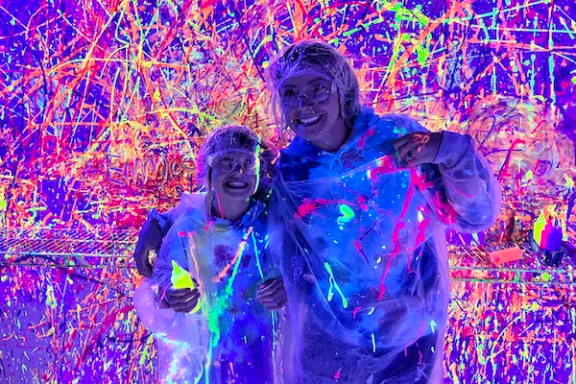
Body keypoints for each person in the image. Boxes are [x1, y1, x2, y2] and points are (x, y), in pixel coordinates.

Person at [265, 40, 502, 384]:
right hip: (326, 352)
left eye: (318, 89)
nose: (305, 104)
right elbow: (272, 248)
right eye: (290, 94)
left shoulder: (394, 140)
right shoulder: (289, 173)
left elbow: (476, 214)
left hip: (406, 344)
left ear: (341, 89)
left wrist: (449, 151)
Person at [132, 125, 287, 384]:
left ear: (260, 169)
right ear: (208, 171)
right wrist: (171, 294)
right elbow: (162, 274)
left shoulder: (271, 223)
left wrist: (285, 289)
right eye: (227, 162)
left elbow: (299, 271)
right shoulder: (189, 226)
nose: (238, 172)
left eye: (247, 163)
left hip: (263, 350)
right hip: (205, 357)